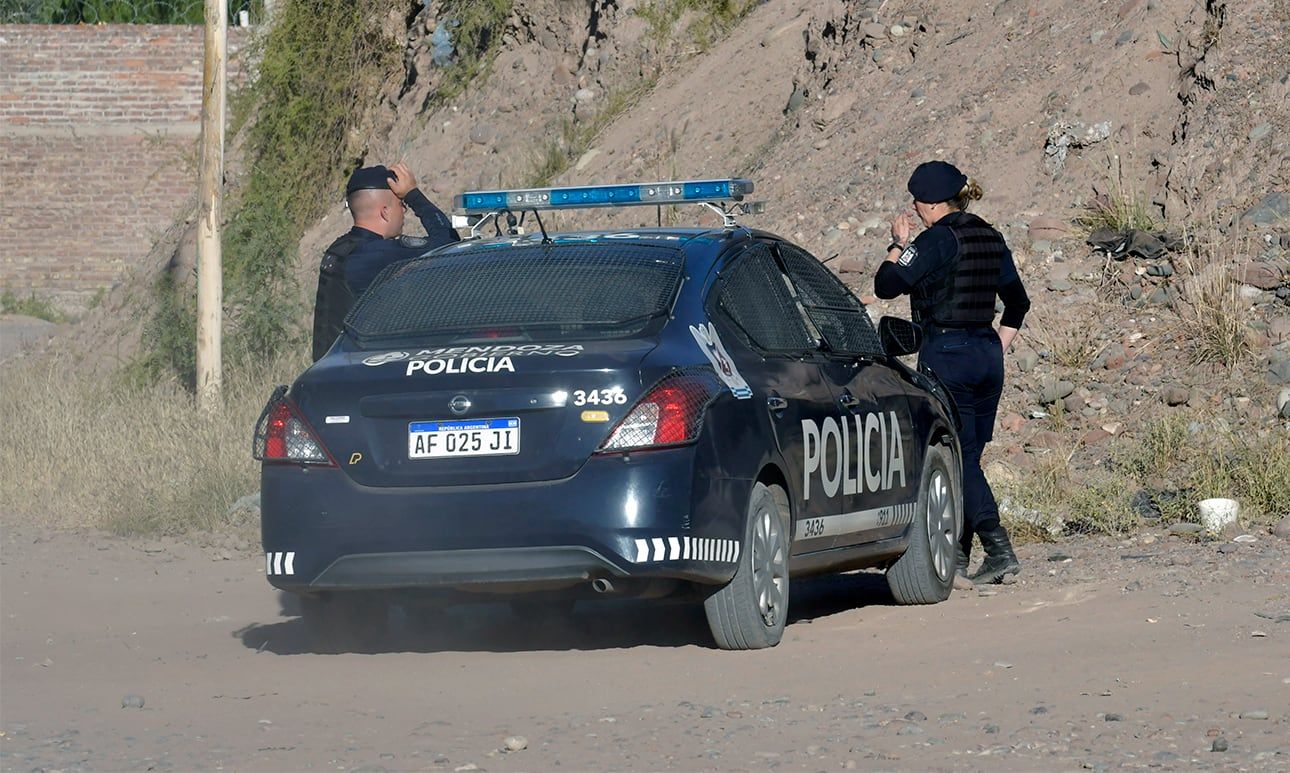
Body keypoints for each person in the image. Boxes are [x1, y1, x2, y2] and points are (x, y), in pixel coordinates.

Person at [873, 160, 1030, 585]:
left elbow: (886, 284)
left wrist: (896, 244)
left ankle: (998, 548)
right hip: (986, 354)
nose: (915, 209)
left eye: (916, 202)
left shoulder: (935, 241)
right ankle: (958, 558)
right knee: (970, 456)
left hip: (948, 354)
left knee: (958, 457)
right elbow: (1018, 303)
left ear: (929, 204)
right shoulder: (990, 236)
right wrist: (997, 345)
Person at [311, 162, 459, 360]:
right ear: (385, 212)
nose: (404, 211)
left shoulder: (340, 249)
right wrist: (413, 194)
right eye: (401, 204)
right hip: (356, 377)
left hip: (332, 372)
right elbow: (448, 245)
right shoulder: (373, 254)